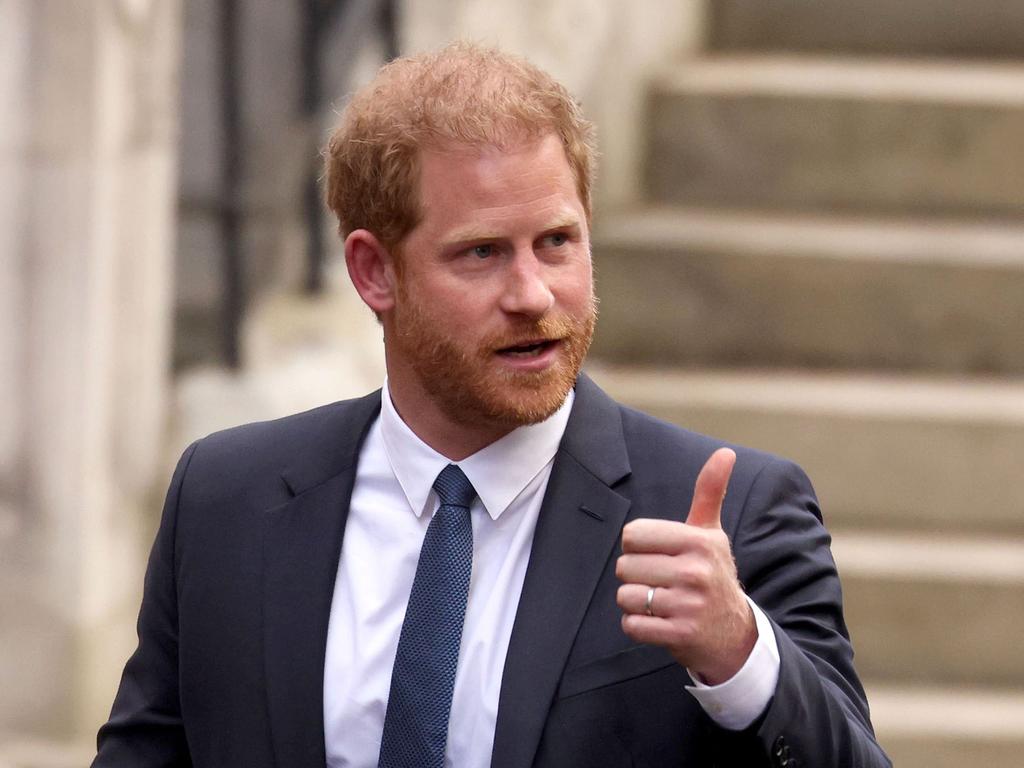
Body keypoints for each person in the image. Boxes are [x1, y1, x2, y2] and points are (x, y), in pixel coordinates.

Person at [94, 43, 891, 767]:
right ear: (374, 273)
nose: (533, 295)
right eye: (481, 253)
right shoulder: (227, 497)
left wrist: (743, 658)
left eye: (557, 242)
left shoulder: (727, 515)